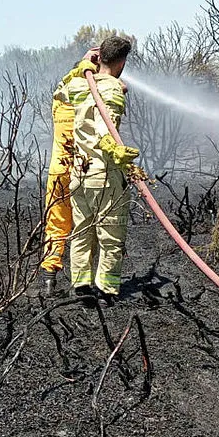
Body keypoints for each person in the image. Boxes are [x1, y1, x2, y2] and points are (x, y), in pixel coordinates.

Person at [64, 34, 138, 303]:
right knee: (111, 234)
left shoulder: (81, 84)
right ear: (122, 62)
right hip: (104, 174)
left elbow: (61, 91)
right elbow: (106, 127)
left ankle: (81, 287)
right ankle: (106, 291)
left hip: (79, 173)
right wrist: (118, 153)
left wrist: (82, 65)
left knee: (82, 232)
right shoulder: (113, 90)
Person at [40, 47, 101, 294]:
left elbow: (67, 82)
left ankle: (49, 278)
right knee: (86, 227)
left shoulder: (60, 94)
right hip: (82, 171)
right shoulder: (90, 96)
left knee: (56, 224)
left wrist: (83, 65)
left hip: (58, 171)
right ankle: (84, 284)